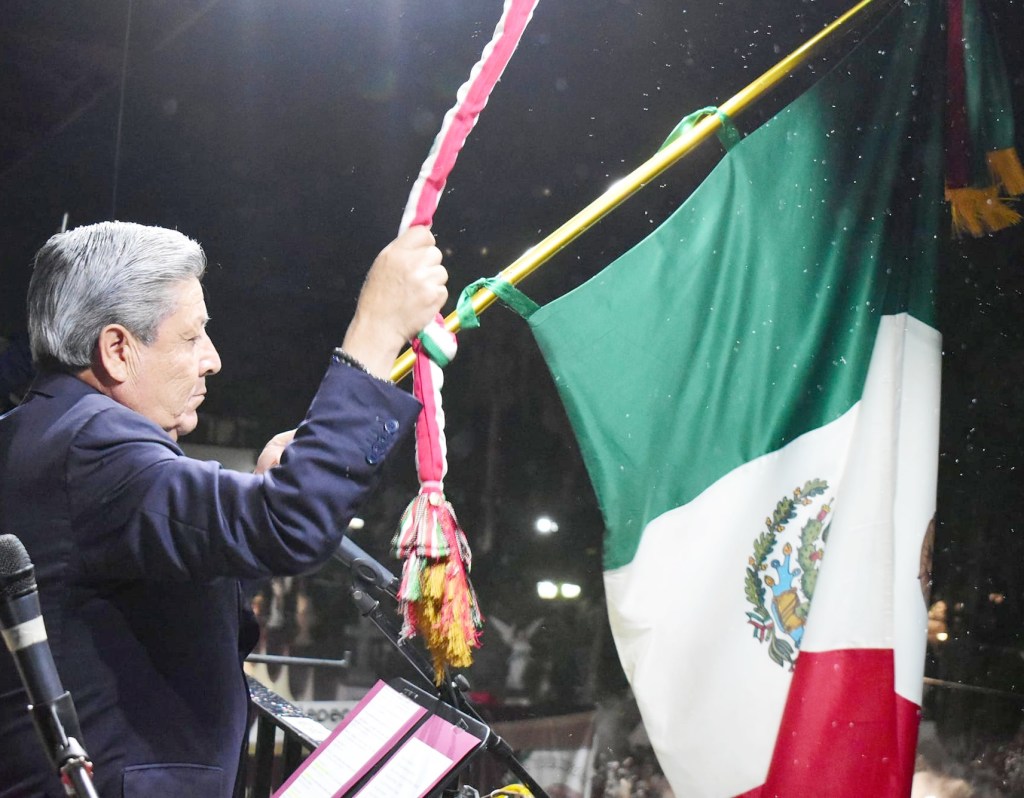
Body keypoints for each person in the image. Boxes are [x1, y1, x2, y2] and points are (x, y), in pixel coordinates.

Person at [0, 220, 447, 797]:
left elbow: (143, 591)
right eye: (191, 337)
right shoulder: (95, 444)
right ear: (117, 350)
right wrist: (377, 331)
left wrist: (261, 491)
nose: (212, 359)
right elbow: (291, 523)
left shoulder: (37, 434)